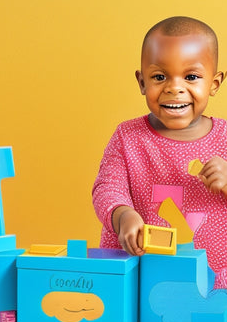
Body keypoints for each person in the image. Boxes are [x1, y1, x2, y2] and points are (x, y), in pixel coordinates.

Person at [93, 16, 227, 289]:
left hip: (216, 282)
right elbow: (107, 187)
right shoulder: (127, 136)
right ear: (142, 82)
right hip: (141, 277)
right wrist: (123, 216)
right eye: (159, 76)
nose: (174, 87)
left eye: (191, 76)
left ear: (214, 84)